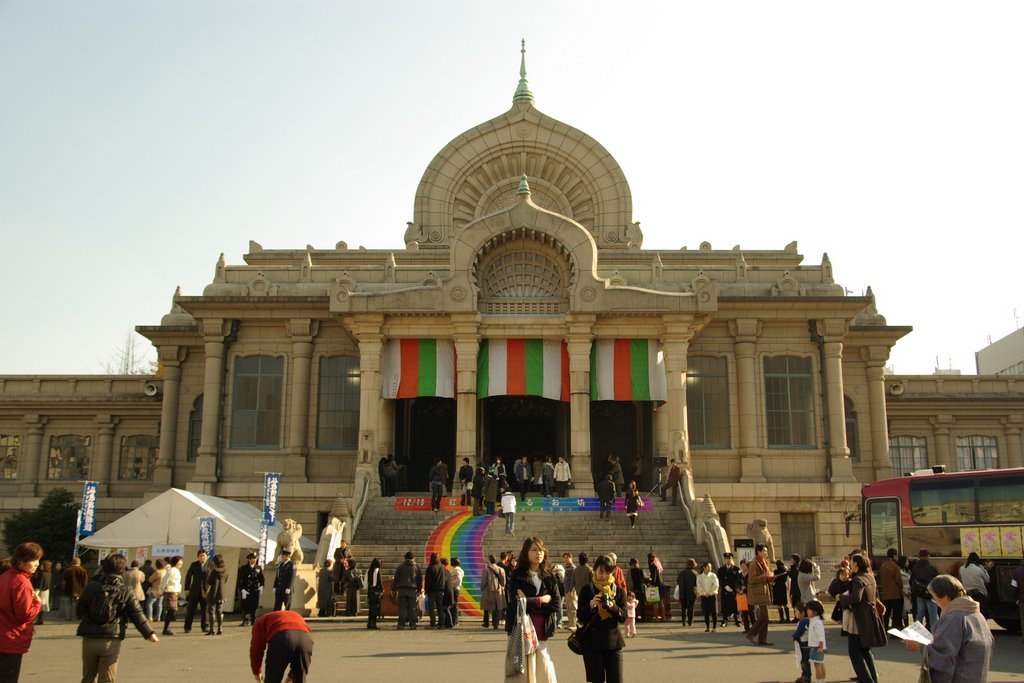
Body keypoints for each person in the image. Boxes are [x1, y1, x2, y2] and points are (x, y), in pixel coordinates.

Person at [77, 554, 157, 681]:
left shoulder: (92, 587)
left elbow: (79, 610)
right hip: (111, 637)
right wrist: (149, 633)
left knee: (88, 676)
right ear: (122, 570)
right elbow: (136, 613)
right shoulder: (126, 591)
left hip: (89, 636)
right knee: (107, 678)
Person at [903, 574, 993, 683]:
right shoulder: (976, 614)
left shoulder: (954, 617)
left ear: (944, 597)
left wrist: (919, 645)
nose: (934, 601)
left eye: (934, 597)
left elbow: (943, 655)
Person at [504, 537, 559, 682]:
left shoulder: (549, 576)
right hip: (521, 630)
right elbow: (515, 604)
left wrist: (527, 602)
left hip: (541, 630)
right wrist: (541, 600)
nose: (538, 553)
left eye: (540, 550)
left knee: (544, 671)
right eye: (534, 550)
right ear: (526, 553)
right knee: (522, 674)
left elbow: (556, 604)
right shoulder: (517, 575)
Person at [576, 554, 626, 683]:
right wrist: (591, 604)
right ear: (594, 571)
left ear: (612, 572)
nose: (604, 576)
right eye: (601, 572)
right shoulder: (587, 590)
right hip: (592, 645)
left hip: (613, 643)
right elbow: (580, 616)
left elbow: (624, 617)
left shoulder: (618, 591)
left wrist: (613, 607)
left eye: (607, 572)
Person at [838, 554, 887, 683]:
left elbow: (856, 598)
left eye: (852, 562)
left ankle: (867, 680)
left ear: (856, 565)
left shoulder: (857, 579)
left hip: (859, 618)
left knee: (854, 652)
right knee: (866, 650)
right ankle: (873, 679)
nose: (850, 564)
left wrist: (841, 598)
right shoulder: (870, 576)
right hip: (870, 615)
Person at [0, 542, 43, 682]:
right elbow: (25, 614)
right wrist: (37, 603)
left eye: (38, 560)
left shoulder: (5, 576)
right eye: (34, 560)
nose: (37, 564)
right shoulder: (21, 582)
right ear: (22, 560)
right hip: (11, 639)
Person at [249, 609, 313, 683]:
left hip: (282, 637)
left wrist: (256, 671)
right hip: (306, 638)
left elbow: (256, 649)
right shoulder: (296, 615)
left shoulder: (259, 622)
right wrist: (291, 677)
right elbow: (304, 657)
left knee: (273, 679)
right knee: (300, 679)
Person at [745, 543, 773, 646]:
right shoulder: (754, 563)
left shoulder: (764, 562)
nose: (766, 553)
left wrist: (770, 577)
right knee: (764, 615)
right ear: (759, 552)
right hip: (758, 592)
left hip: (764, 591)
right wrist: (765, 577)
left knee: (764, 615)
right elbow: (752, 579)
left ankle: (762, 638)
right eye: (764, 551)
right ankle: (752, 633)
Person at [392, 550, 422, 630]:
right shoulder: (417, 567)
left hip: (402, 590)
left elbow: (396, 579)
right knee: (412, 608)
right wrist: (419, 590)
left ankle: (401, 624)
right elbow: (419, 580)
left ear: (405, 558)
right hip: (412, 590)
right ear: (413, 558)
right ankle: (412, 625)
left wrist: (393, 589)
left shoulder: (400, 567)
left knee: (402, 608)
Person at [911, 548, 939, 630]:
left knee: (920, 613)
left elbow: (912, 579)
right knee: (933, 614)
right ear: (927, 556)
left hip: (919, 593)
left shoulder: (915, 567)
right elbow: (937, 579)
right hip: (930, 594)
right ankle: (934, 633)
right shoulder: (931, 567)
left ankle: (915, 631)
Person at [183, 549, 210, 633]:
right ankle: (187, 627)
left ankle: (205, 626)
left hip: (206, 591)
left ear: (207, 556)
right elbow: (188, 576)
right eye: (201, 556)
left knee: (205, 610)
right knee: (191, 610)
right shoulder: (194, 564)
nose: (202, 557)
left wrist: (211, 589)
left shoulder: (211, 565)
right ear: (198, 557)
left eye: (204, 556)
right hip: (194, 590)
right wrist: (187, 588)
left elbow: (214, 577)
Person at [879, 548, 904, 632]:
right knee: (897, 614)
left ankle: (884, 629)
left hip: (886, 593)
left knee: (886, 613)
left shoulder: (883, 565)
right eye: (896, 555)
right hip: (895, 593)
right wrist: (900, 589)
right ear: (894, 555)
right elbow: (899, 581)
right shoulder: (895, 566)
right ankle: (895, 631)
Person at [238, 553, 265, 626]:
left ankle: (253, 620)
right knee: (245, 606)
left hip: (254, 589)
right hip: (246, 589)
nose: (254, 560)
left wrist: (261, 586)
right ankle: (245, 620)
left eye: (255, 558)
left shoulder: (258, 568)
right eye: (252, 559)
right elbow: (240, 580)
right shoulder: (244, 568)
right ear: (249, 559)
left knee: (254, 605)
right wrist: (242, 589)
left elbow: (261, 579)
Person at [480, 554, 506, 630]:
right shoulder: (501, 569)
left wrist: (482, 588)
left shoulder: (486, 570)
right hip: (498, 590)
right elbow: (504, 582)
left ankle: (486, 622)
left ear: (489, 560)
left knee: (487, 607)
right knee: (497, 608)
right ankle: (496, 624)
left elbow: (483, 581)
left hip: (488, 590)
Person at [159, 556, 183, 635]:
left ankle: (166, 628)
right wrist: (161, 591)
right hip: (170, 592)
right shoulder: (171, 571)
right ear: (176, 562)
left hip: (174, 593)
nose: (181, 563)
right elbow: (164, 582)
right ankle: (165, 629)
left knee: (171, 611)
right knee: (170, 611)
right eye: (180, 561)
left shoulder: (176, 571)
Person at [205, 554, 228, 635]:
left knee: (211, 611)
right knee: (220, 611)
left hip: (213, 593)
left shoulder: (214, 571)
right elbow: (226, 579)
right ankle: (220, 628)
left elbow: (209, 581)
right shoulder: (225, 570)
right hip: (222, 593)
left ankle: (211, 629)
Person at [805, 599, 827, 683]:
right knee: (820, 663)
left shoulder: (817, 622)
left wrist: (821, 646)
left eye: (809, 610)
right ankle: (822, 680)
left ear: (815, 612)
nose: (807, 611)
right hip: (816, 645)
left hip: (816, 646)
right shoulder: (814, 621)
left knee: (817, 665)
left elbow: (820, 635)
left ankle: (819, 681)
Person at [717, 552, 741, 627]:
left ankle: (737, 620)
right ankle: (724, 620)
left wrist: (733, 588)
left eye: (729, 559)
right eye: (726, 559)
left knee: (735, 605)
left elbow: (737, 580)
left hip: (733, 590)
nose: (728, 560)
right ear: (724, 560)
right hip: (725, 590)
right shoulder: (721, 570)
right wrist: (725, 586)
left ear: (732, 559)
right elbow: (720, 579)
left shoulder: (736, 569)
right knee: (724, 605)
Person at [61, 557, 89, 622]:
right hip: (79, 590)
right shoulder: (83, 571)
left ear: (72, 562)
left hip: (68, 590)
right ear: (79, 563)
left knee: (68, 603)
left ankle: (68, 617)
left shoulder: (68, 570)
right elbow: (85, 582)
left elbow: (64, 581)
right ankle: (76, 616)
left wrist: (63, 588)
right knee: (77, 604)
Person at [424, 553, 446, 629]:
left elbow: (428, 581)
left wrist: (426, 591)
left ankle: (433, 623)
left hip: (432, 591)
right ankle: (441, 623)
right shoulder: (443, 567)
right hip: (440, 590)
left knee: (431, 607)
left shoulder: (430, 568)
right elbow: (444, 579)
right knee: (440, 607)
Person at [695, 561, 719, 633]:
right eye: (708, 568)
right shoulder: (700, 577)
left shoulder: (713, 575)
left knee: (714, 612)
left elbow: (716, 585)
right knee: (706, 612)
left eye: (710, 568)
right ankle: (707, 627)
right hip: (704, 596)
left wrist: (711, 593)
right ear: (704, 568)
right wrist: (704, 593)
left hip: (712, 596)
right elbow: (699, 586)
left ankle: (714, 627)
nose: (710, 569)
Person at [791, 602, 812, 683]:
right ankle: (805, 675)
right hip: (808, 643)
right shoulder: (808, 620)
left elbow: (799, 632)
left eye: (796, 611)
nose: (795, 613)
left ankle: (806, 676)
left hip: (804, 644)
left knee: (804, 661)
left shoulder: (803, 621)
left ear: (802, 612)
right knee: (805, 661)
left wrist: (794, 636)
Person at [676, 558, 698, 627]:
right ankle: (690, 622)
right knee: (691, 608)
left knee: (684, 608)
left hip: (683, 593)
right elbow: (697, 583)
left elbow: (678, 581)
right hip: (692, 592)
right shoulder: (695, 573)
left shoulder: (682, 573)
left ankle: (683, 621)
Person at [30, 561, 52, 625]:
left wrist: (36, 593)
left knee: (39, 605)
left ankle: (40, 619)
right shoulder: (49, 573)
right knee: (43, 605)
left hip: (41, 591)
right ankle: (40, 619)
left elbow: (40, 583)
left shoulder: (42, 574)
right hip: (46, 591)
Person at [365, 558, 383, 629]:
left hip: (370, 591)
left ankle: (369, 622)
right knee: (375, 608)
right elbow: (380, 581)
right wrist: (382, 589)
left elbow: (366, 582)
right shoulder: (377, 571)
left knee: (371, 608)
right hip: (376, 591)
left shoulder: (368, 570)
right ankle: (373, 623)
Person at [145, 559, 165, 623]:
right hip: (162, 590)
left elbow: (150, 580)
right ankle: (158, 617)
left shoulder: (157, 572)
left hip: (155, 590)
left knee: (149, 603)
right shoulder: (165, 571)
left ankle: (149, 617)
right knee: (159, 604)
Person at [562, 553, 577, 629]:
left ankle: (573, 624)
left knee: (573, 607)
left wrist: (571, 590)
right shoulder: (566, 567)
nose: (565, 559)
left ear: (571, 558)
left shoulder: (573, 568)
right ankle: (570, 623)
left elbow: (573, 580)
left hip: (572, 591)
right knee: (568, 607)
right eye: (564, 558)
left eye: (567, 557)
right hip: (567, 590)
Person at [772, 559, 790, 623]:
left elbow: (774, 580)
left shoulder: (776, 571)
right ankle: (788, 618)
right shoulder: (785, 571)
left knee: (779, 604)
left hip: (777, 588)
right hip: (783, 587)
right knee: (785, 603)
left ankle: (781, 618)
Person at [448, 557, 464, 626]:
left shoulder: (457, 570)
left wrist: (451, 583)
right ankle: (454, 620)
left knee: (454, 605)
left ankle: (455, 621)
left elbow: (459, 580)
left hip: (455, 588)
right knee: (453, 605)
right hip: (454, 588)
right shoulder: (456, 570)